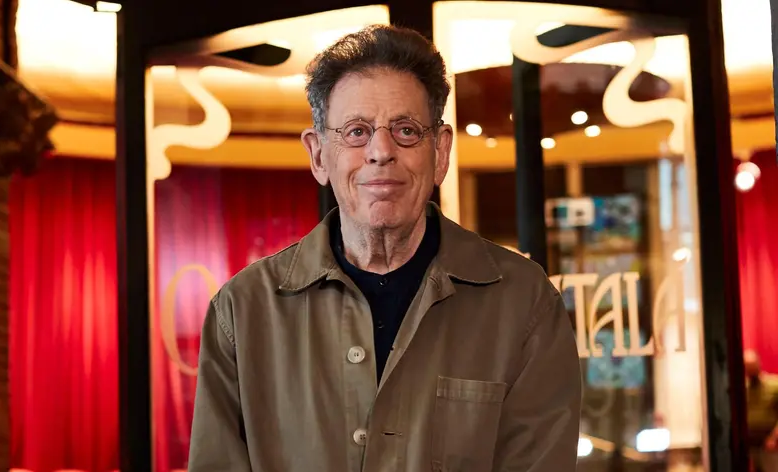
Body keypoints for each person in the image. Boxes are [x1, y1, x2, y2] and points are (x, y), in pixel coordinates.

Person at [188, 25, 581, 472]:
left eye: (406, 130)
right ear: (318, 155)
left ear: (440, 152)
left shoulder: (524, 302)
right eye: (356, 131)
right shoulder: (242, 312)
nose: (380, 151)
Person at [745, 349, 778, 472]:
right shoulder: (742, 388)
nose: (750, 370)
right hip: (750, 446)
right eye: (747, 367)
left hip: (771, 444)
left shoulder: (774, 385)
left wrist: (774, 437)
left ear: (759, 363)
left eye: (752, 365)